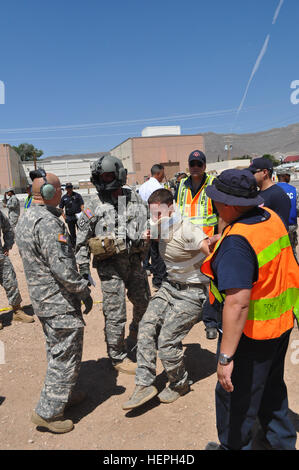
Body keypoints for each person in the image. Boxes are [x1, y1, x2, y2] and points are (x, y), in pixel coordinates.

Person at [200, 169, 299, 450]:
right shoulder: (271, 218)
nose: (213, 204)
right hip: (279, 325)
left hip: (250, 336)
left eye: (216, 200)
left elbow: (238, 302)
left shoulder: (237, 243)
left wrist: (225, 357)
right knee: (271, 392)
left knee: (236, 402)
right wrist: (226, 243)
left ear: (229, 205)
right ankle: (280, 444)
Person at [15, 168, 93, 434]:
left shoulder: (27, 218)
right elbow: (62, 268)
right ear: (49, 192)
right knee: (64, 355)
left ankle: (64, 393)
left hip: (43, 300)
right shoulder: (48, 222)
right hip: (58, 301)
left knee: (56, 350)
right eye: (58, 189)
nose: (61, 193)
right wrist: (83, 290)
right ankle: (48, 413)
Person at [122, 188, 210, 410]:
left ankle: (180, 384)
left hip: (193, 291)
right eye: (153, 214)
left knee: (167, 340)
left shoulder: (188, 230)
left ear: (171, 209)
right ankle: (144, 384)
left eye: (159, 214)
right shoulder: (158, 227)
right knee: (146, 327)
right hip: (170, 287)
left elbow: (210, 249)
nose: (155, 218)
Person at [76, 155, 151, 375]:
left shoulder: (133, 198)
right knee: (115, 313)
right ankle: (117, 356)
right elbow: (80, 242)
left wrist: (150, 232)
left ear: (118, 175)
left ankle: (136, 334)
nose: (104, 180)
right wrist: (82, 271)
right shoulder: (93, 205)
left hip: (135, 263)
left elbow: (152, 221)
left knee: (144, 303)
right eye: (101, 176)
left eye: (108, 175)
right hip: (110, 269)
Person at [175, 150, 219, 340]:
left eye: (198, 164)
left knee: (210, 282)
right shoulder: (181, 186)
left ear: (204, 166)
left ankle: (211, 322)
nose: (195, 167)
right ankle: (183, 321)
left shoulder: (213, 184)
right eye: (192, 164)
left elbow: (221, 213)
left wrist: (220, 236)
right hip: (187, 243)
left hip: (208, 243)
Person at [0, 209, 34, 329]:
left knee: (11, 283)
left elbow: (8, 228)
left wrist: (7, 245)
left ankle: (17, 311)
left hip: (1, 258)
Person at [137, 164, 167, 291]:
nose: (164, 176)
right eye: (163, 174)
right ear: (159, 173)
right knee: (160, 251)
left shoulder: (142, 186)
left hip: (144, 220)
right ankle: (160, 279)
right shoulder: (158, 187)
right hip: (156, 220)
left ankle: (156, 279)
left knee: (153, 251)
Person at [247, 157, 291, 229]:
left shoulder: (278, 195)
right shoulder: (257, 193)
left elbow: (282, 227)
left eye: (253, 172)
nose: (250, 176)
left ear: (264, 172)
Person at [276, 168, 299, 261]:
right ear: (284, 176)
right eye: (288, 175)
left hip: (277, 227)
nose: (289, 177)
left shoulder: (273, 190)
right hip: (291, 226)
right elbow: (297, 208)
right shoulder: (294, 190)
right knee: (292, 251)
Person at [59, 183, 84, 248]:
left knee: (82, 230)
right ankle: (74, 245)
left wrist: (83, 212)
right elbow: (61, 208)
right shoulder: (64, 198)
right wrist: (64, 217)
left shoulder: (77, 195)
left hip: (78, 216)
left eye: (70, 187)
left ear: (72, 188)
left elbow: (82, 204)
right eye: (68, 188)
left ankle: (82, 244)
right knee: (72, 233)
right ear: (66, 189)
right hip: (69, 217)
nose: (69, 189)